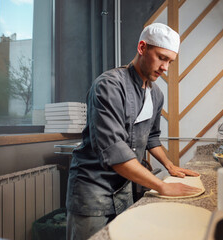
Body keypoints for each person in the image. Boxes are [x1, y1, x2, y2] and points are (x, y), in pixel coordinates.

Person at [66, 23, 201, 240]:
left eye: (170, 61)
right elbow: (114, 151)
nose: (166, 67)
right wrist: (161, 186)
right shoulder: (109, 86)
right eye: (161, 57)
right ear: (142, 48)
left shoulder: (156, 94)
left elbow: (152, 138)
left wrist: (169, 165)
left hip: (123, 189)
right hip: (93, 190)